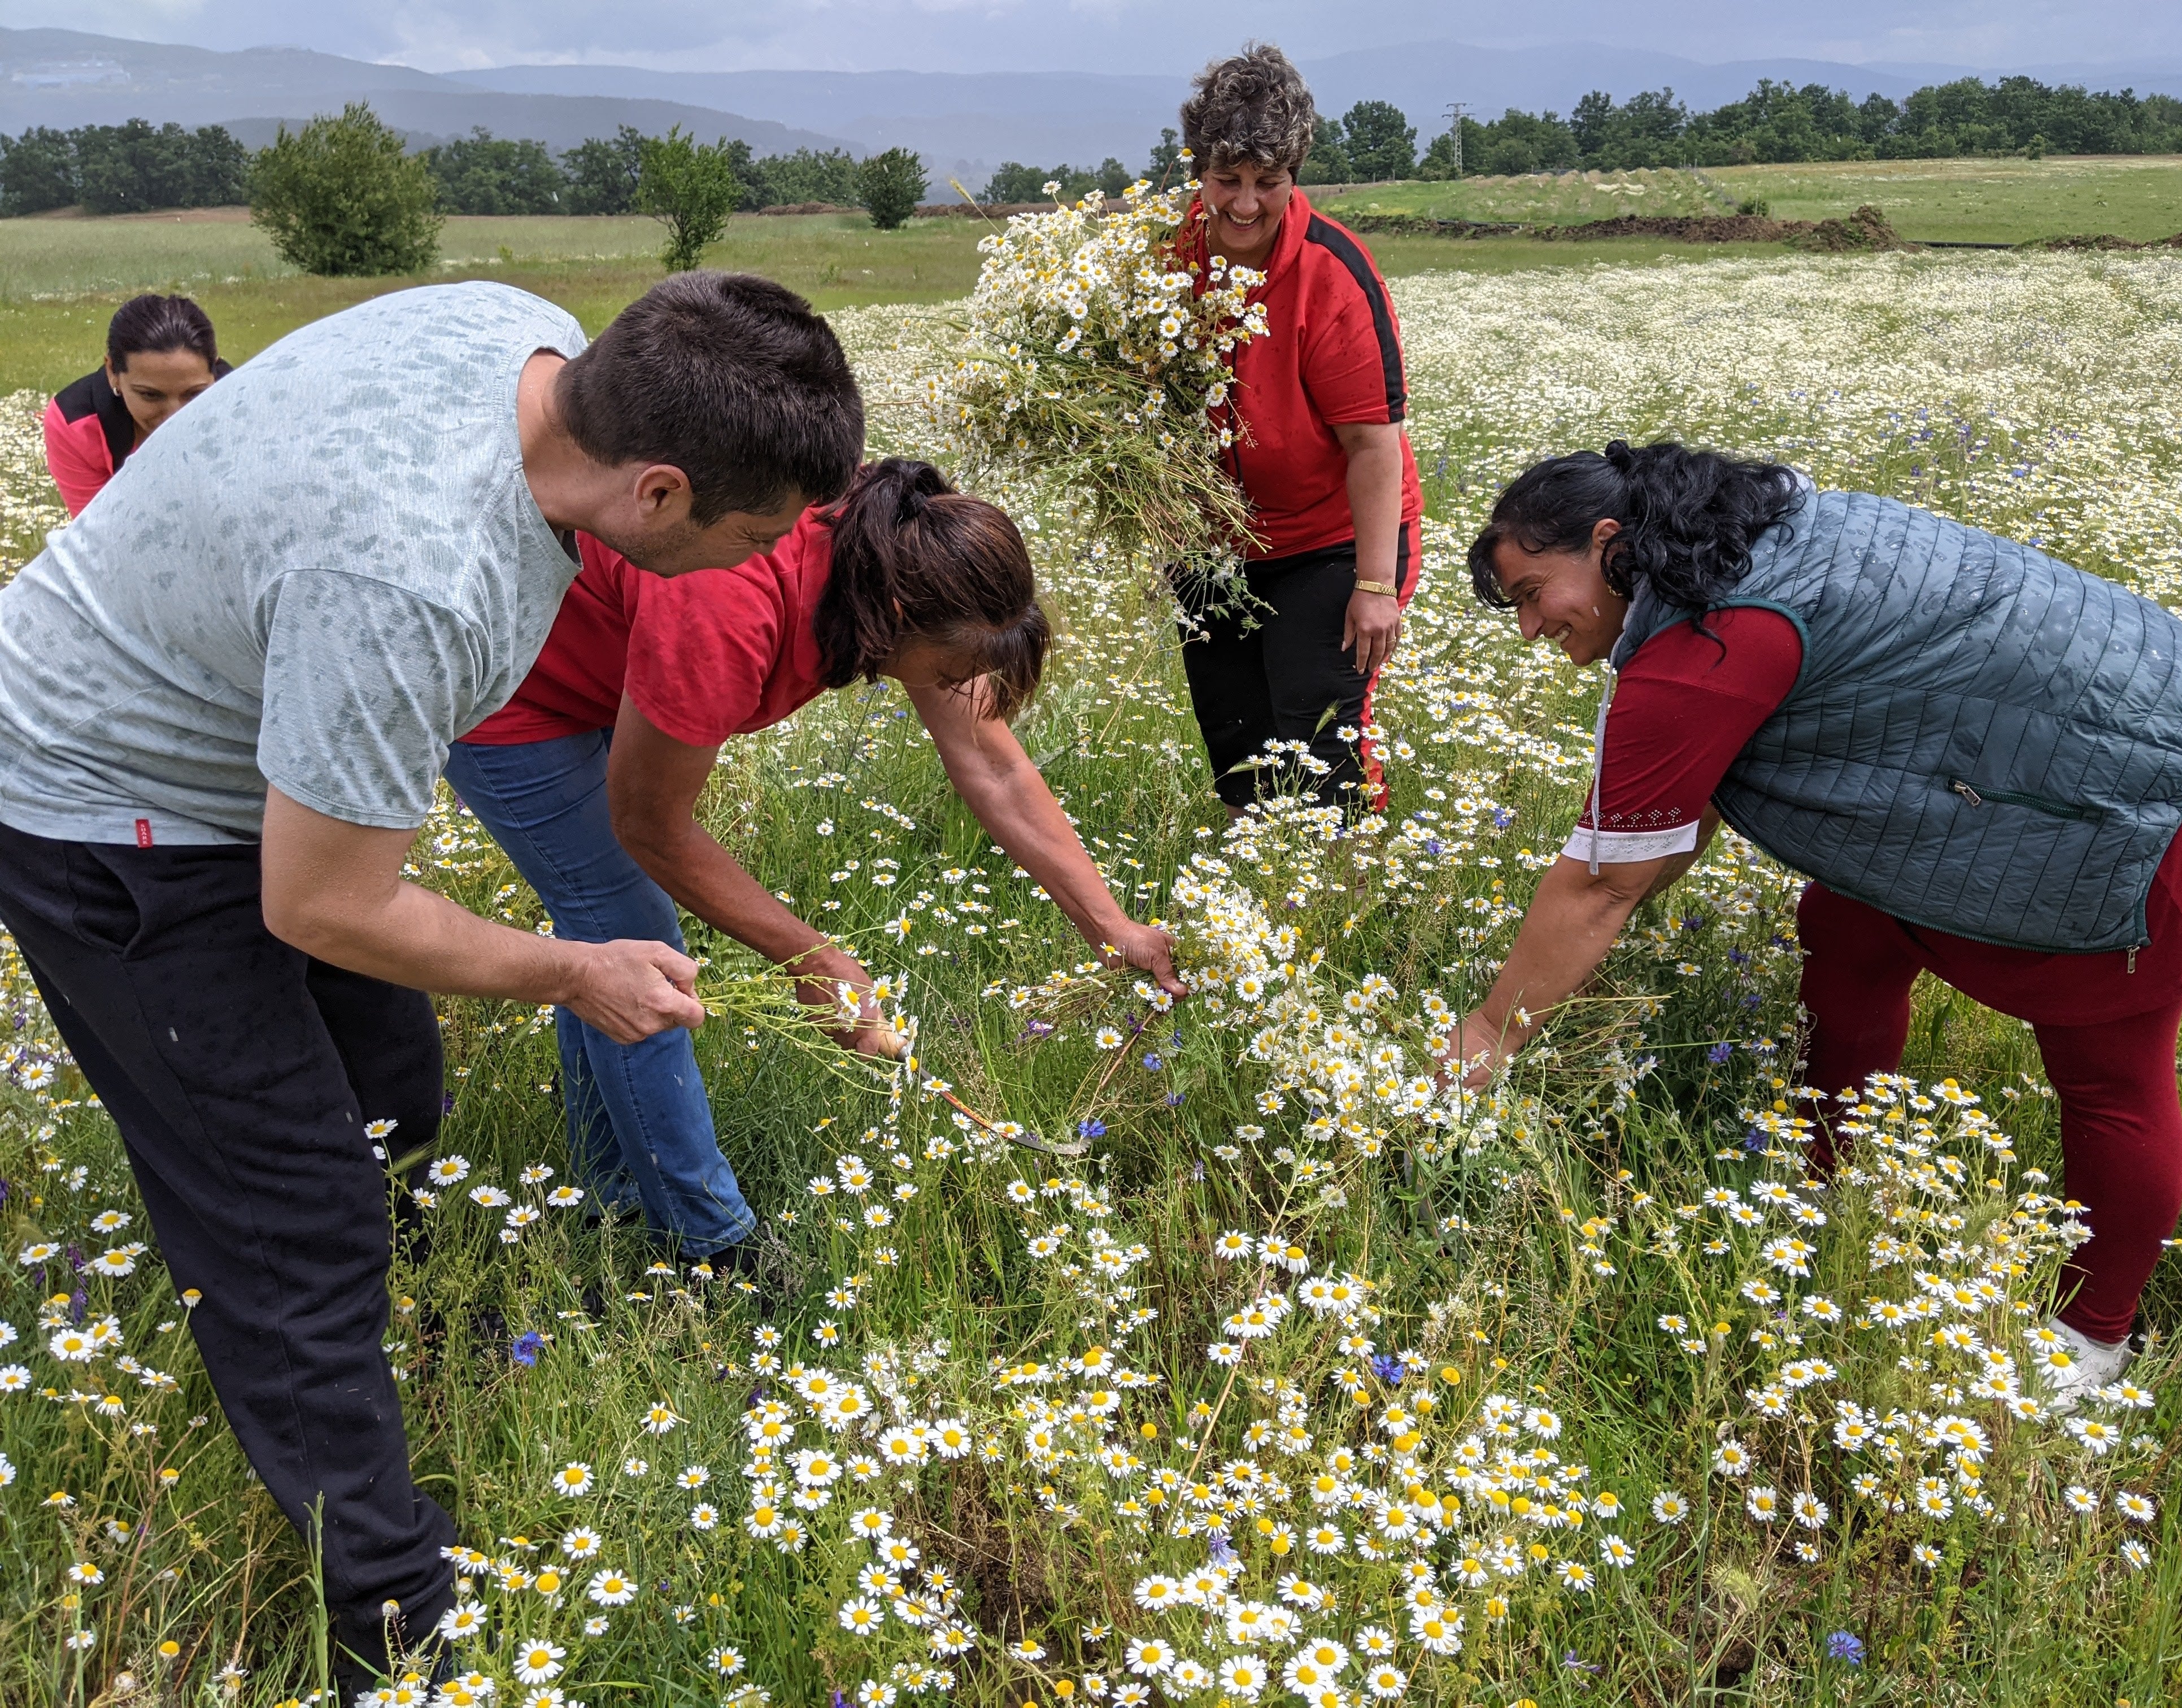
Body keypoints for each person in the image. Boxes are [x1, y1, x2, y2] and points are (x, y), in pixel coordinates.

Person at [0, 272, 865, 1676]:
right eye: (754, 534)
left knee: (394, 1086)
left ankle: (381, 1349)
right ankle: (399, 1624)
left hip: (238, 744)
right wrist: (578, 971)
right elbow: (326, 904)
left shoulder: (508, 328)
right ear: (656, 492)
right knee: (289, 1207)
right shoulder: (415, 579)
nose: (757, 565)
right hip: (105, 804)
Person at [1451, 441, 2182, 1406]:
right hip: (2101, 708)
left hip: (2124, 789)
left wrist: (1488, 1035)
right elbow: (1669, 830)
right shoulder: (1744, 545)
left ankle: (2092, 1339)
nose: (1533, 626)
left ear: (1608, 540)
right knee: (1848, 925)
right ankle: (1828, 1165)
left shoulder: (1706, 640)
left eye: (1536, 591)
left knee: (2108, 1064)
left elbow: (1603, 884)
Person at [447, 457, 1186, 1258]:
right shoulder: (731, 603)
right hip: (513, 685)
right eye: (955, 672)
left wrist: (1114, 927)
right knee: (637, 945)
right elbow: (650, 823)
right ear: (900, 615)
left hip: (617, 668)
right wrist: (808, 955)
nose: (962, 688)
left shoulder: (902, 558)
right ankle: (712, 1249)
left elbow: (994, 765)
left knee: (611, 938)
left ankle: (610, 1192)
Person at [1169, 43, 1425, 818]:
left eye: (1267, 184)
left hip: (1333, 539)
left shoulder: (1331, 274)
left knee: (1317, 735)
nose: (1244, 204)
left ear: (1295, 176)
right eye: (1226, 181)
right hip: (1212, 542)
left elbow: (1373, 445)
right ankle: (1262, 898)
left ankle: (1343, 901)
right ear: (1198, 172)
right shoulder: (1161, 258)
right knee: (1236, 738)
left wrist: (1376, 588)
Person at [43, 292, 231, 516]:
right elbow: (100, 536)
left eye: (194, 394)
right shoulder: (75, 425)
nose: (175, 417)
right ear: (113, 372)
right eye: (151, 395)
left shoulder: (243, 406)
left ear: (215, 370)